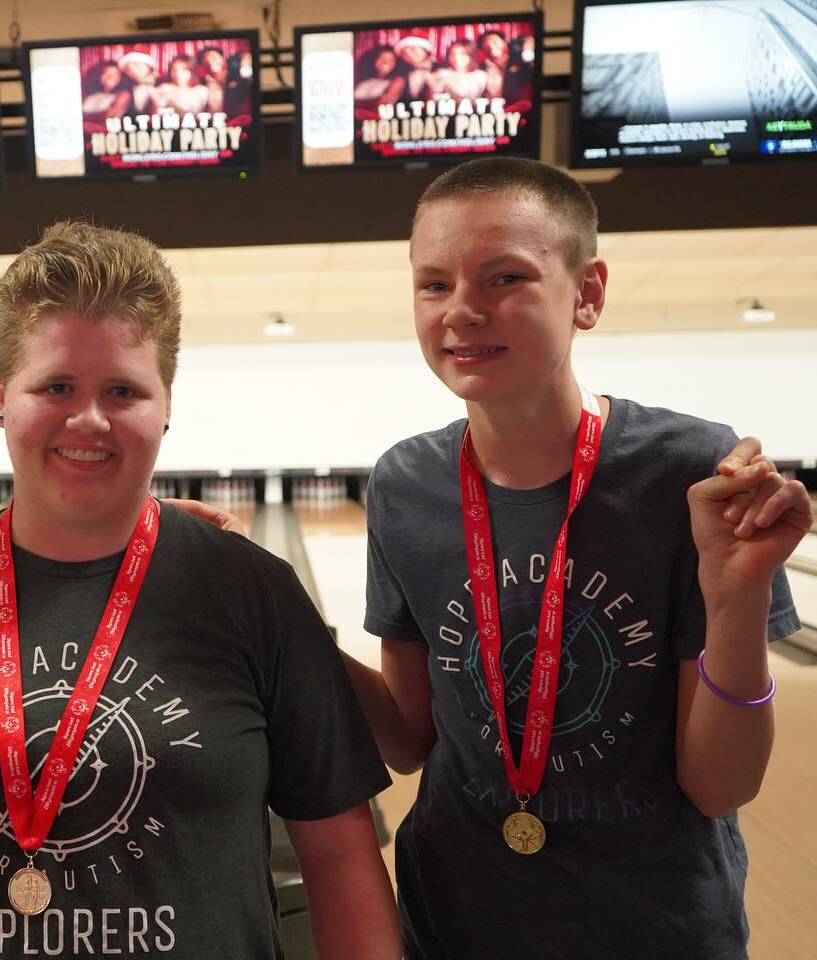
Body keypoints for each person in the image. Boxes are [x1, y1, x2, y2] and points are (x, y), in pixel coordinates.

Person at [0, 221, 400, 960]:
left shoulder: (258, 596)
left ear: (165, 401)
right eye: (56, 386)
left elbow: (340, 859)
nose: (88, 418)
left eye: (122, 389)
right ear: (1, 395)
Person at [346, 157, 810, 958]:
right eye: (433, 284)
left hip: (654, 928)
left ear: (587, 293)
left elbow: (722, 786)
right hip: (454, 922)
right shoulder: (405, 482)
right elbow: (407, 741)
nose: (461, 310)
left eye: (503, 277)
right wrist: (284, 616)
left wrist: (736, 596)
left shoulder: (691, 470)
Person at [353, 45, 406, 112]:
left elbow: (382, 104)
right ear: (374, 60)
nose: (386, 62)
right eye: (382, 58)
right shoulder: (364, 80)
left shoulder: (398, 80)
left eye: (391, 59)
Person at [80, 60, 130, 126]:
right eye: (106, 72)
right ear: (100, 75)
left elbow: (108, 118)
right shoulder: (89, 94)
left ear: (121, 77)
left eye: (115, 73)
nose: (110, 76)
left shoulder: (123, 95)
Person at [118, 50, 158, 116]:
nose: (133, 70)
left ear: (149, 66)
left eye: (136, 65)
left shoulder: (163, 83)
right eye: (128, 68)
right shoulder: (125, 88)